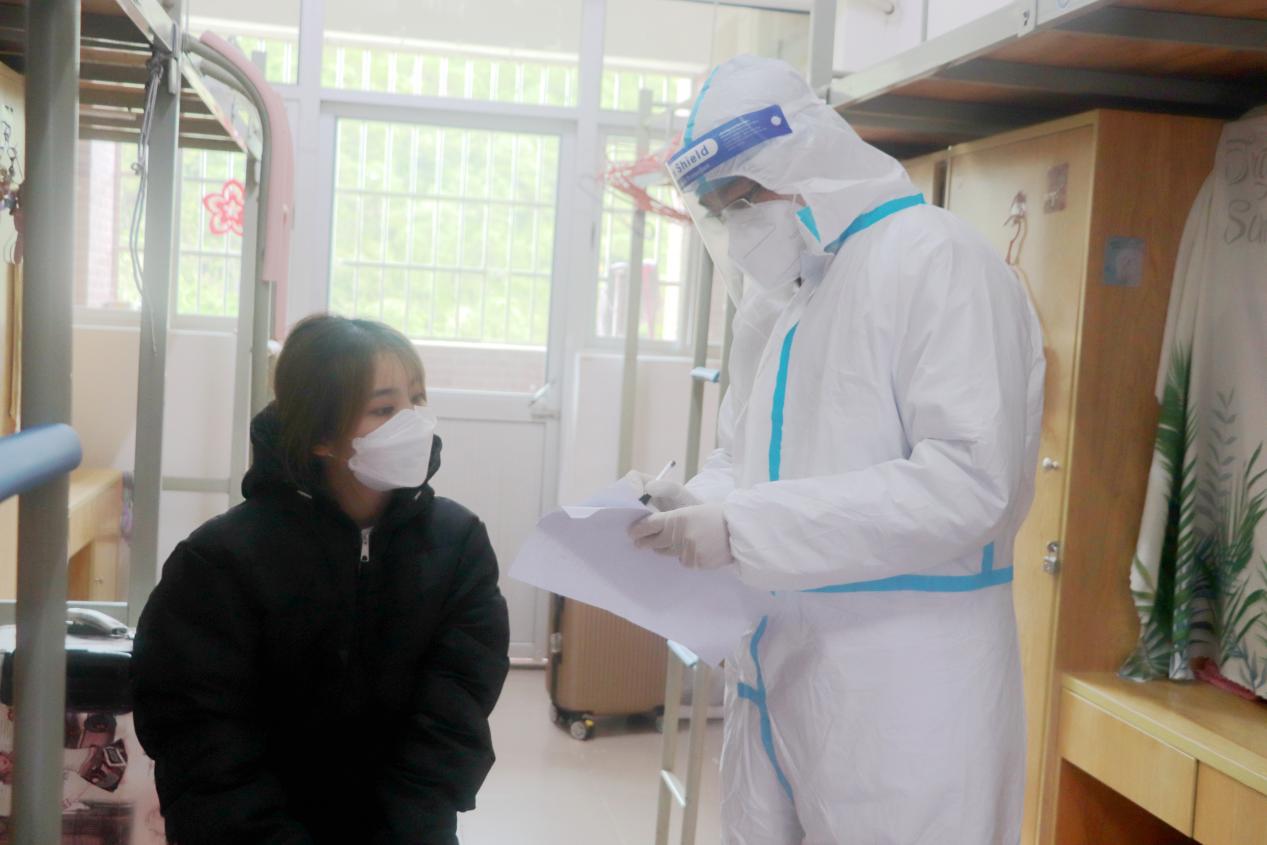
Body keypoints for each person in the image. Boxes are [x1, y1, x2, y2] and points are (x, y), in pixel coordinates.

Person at [627, 56, 1045, 844]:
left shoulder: (938, 260)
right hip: (778, 675)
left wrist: (740, 527)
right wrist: (695, 507)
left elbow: (968, 483)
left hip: (905, 695)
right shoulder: (781, 299)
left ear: (805, 162)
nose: (734, 227)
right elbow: (742, 455)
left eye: (741, 198)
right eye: (716, 210)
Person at [132, 315, 510, 845]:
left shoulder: (457, 544)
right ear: (321, 437)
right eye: (384, 409)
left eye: (418, 400)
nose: (413, 422)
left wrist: (408, 829)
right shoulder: (219, 561)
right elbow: (200, 737)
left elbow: (457, 707)